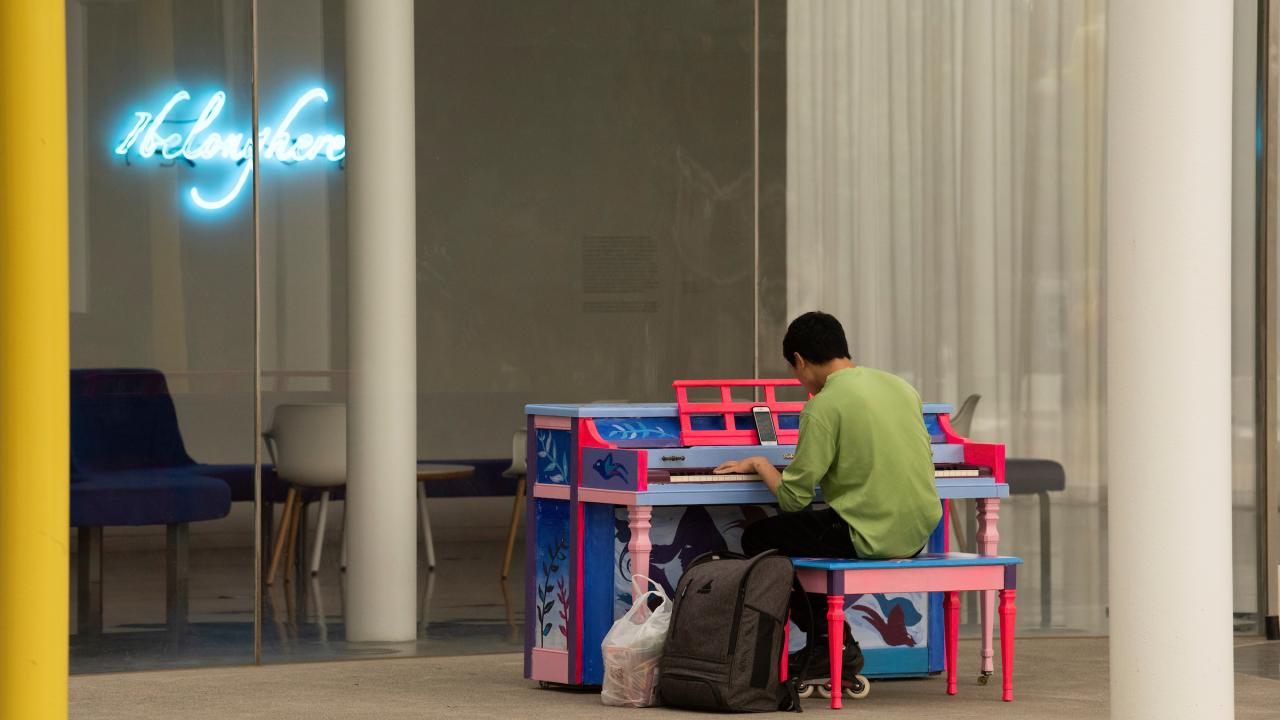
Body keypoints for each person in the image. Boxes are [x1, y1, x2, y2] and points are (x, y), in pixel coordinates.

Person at [713, 310, 941, 683]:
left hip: (867, 534)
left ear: (800, 360)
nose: (797, 377)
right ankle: (832, 645)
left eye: (793, 369)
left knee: (760, 538)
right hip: (918, 531)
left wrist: (758, 463)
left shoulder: (823, 406)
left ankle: (828, 645)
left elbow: (794, 500)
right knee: (810, 531)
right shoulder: (901, 387)